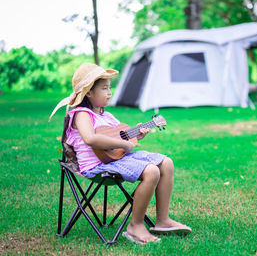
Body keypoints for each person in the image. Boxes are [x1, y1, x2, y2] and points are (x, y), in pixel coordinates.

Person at [49, 63, 191, 245]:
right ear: (89, 93)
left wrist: (137, 134)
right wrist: (122, 143)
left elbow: (122, 141)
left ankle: (162, 220)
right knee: (151, 171)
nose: (110, 92)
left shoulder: (106, 116)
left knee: (167, 163)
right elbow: (91, 139)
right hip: (97, 165)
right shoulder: (81, 114)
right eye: (104, 88)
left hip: (115, 159)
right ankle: (135, 226)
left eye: (110, 88)